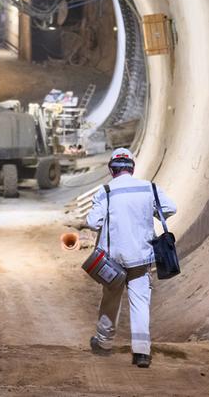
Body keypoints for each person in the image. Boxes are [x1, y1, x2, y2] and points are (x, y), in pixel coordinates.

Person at [86, 147, 176, 368]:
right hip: (141, 256)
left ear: (111, 169)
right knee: (140, 302)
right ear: (132, 168)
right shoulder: (149, 188)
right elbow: (169, 208)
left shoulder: (105, 191)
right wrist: (150, 213)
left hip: (113, 258)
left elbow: (93, 222)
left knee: (110, 300)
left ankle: (104, 343)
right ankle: (142, 353)